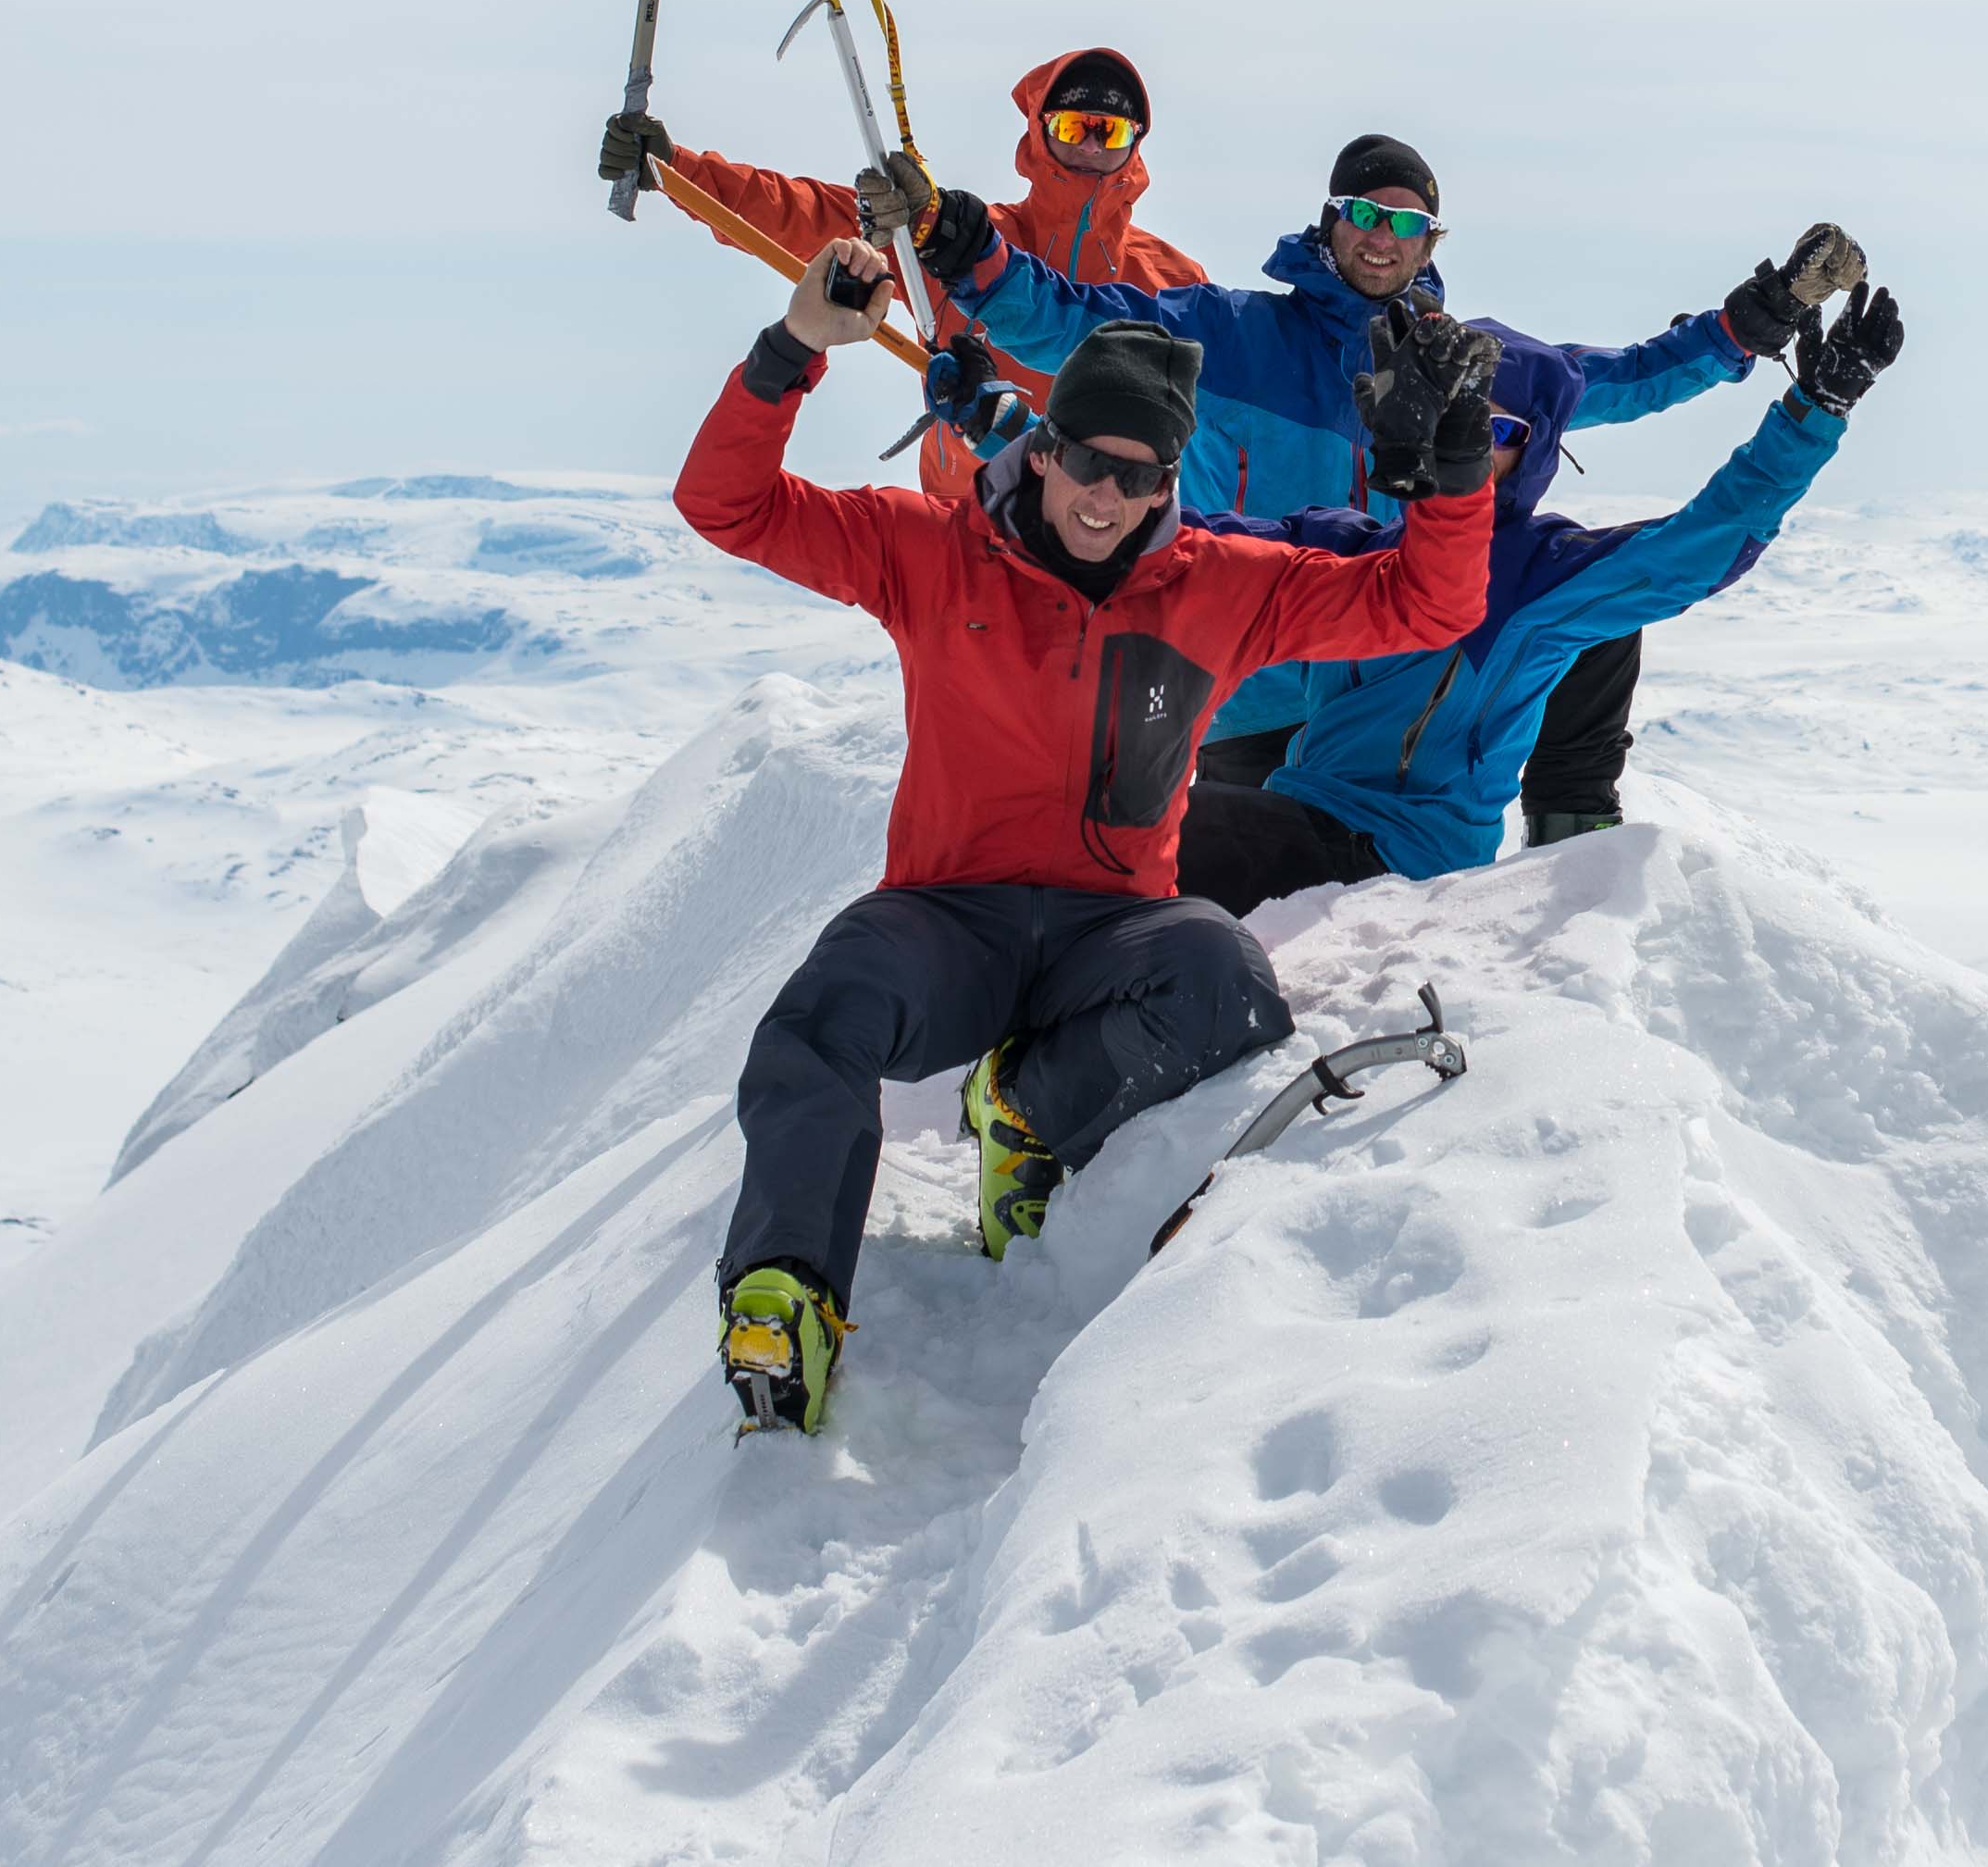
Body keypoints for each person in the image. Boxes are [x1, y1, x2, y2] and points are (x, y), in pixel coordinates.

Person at [672, 232, 1504, 1435]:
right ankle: (784, 1292)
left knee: (1225, 975)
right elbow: (726, 504)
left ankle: (1025, 1110)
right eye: (1089, 461)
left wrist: (1458, 467)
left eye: (1142, 473)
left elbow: (1429, 602)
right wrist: (793, 348)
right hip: (945, 920)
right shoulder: (931, 550)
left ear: (1170, 480)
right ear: (1047, 445)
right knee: (823, 1008)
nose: (1107, 496)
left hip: (1111, 932)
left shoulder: (1221, 583)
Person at [923, 136, 1857, 815]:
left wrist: (1750, 324)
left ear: (1430, 243)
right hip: (1248, 688)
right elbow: (1078, 319)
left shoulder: (1453, 364)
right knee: (1237, 895)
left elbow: (1619, 376)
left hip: (1386, 680)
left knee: (1593, 616)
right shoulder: (1230, 333)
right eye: (1366, 214)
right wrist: (978, 263)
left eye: (1407, 223)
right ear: (1331, 221)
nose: (1382, 237)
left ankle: (1573, 857)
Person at [1181, 284, 1906, 911]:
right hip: (1296, 809)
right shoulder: (1348, 541)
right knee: (1135, 820)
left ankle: (1574, 828)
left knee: (1172, 835)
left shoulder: (1537, 573)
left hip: (1400, 852)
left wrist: (1814, 412)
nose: (1468, 442)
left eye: (1497, 430)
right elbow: (1198, 545)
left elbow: (1703, 544)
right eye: (1455, 414)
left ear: (1536, 450)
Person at [600, 45, 1200, 498]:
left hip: (1111, 544)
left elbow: (1211, 438)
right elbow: (803, 217)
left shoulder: (1173, 283)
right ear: (1039, 134)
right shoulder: (961, 242)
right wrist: (677, 170)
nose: (1091, 146)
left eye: (1109, 130)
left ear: (1136, 142)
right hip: (965, 538)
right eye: (1072, 126)